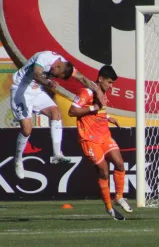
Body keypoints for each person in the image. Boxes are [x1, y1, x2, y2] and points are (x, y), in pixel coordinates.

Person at [11, 50, 105, 179]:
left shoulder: (64, 65)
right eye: (57, 75)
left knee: (56, 114)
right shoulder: (44, 58)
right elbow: (36, 75)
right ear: (56, 67)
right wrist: (48, 83)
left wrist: (98, 91)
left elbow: (82, 78)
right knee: (27, 129)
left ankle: (57, 155)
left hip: (36, 91)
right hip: (21, 90)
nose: (55, 77)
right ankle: (18, 160)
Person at [68, 65, 132, 220]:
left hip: (104, 136)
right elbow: (72, 111)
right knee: (103, 170)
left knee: (120, 163)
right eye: (109, 82)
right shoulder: (87, 92)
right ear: (100, 79)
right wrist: (93, 107)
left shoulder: (101, 93)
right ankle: (109, 208)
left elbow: (99, 111)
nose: (111, 86)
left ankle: (118, 197)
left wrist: (108, 117)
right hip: (89, 140)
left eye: (112, 84)